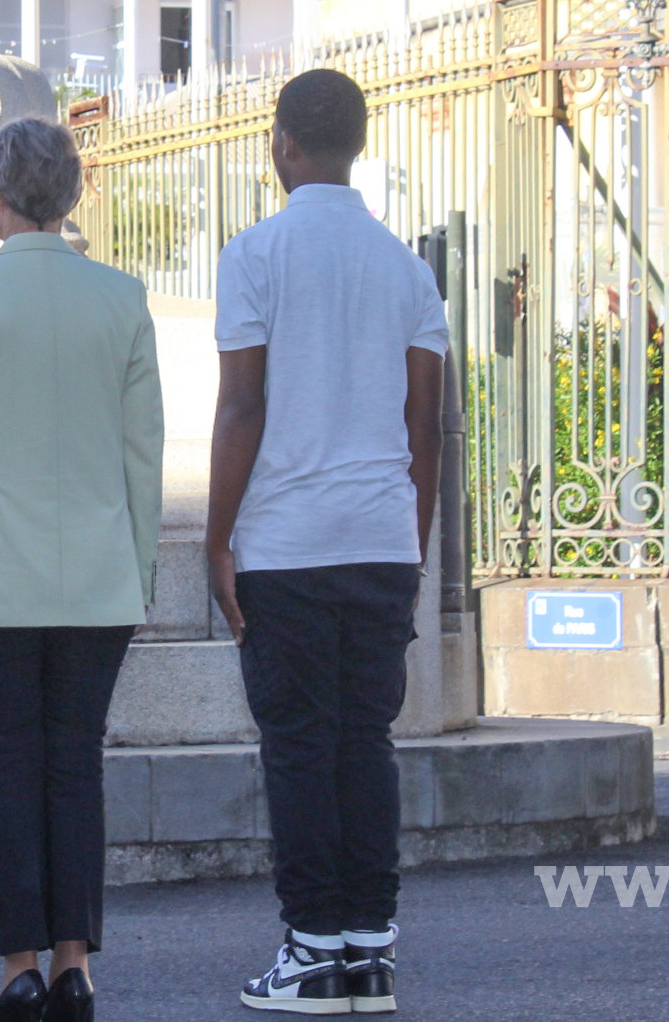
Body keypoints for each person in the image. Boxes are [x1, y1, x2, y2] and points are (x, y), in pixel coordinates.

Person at [0, 116, 164, 1022]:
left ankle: (18, 965)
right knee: (76, 768)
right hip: (96, 572)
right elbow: (143, 453)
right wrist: (142, 570)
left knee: (9, 768)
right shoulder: (124, 299)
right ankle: (74, 965)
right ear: (75, 195)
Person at [207, 68, 448, 1016]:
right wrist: (411, 541)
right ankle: (367, 954)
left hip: (287, 541)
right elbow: (425, 426)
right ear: (356, 143)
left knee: (300, 748)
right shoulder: (407, 267)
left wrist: (217, 538)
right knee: (366, 744)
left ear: (281, 144)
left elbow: (241, 405)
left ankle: (310, 952)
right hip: (381, 537)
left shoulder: (255, 255)